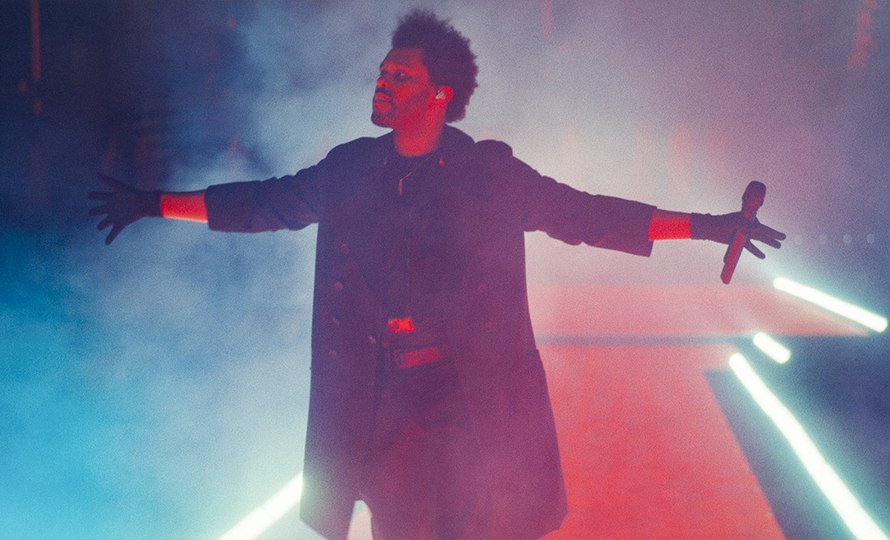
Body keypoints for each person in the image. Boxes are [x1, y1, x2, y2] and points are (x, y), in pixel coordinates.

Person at [89, 10, 785, 540]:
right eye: (382, 73)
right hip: (378, 397)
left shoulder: (487, 174)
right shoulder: (350, 169)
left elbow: (586, 215)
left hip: (464, 399)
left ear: (440, 94)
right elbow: (262, 204)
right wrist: (153, 204)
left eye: (401, 77)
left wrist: (710, 225)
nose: (382, 83)